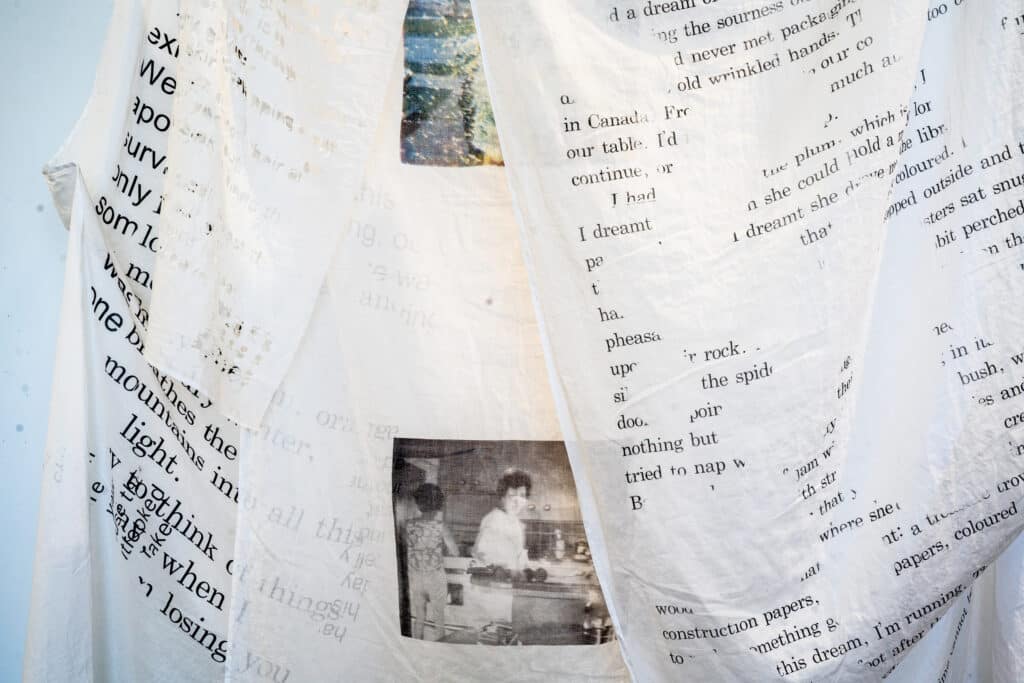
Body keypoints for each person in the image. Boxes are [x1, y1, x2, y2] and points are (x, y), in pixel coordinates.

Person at [404, 483, 458, 640]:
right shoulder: (440, 526)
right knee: (438, 616)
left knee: (419, 615)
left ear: (419, 503)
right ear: (438, 504)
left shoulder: (408, 525)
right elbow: (455, 552)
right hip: (434, 576)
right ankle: (439, 646)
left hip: (414, 575)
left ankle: (416, 645)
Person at [472, 469, 531, 573]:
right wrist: (504, 568)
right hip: (492, 583)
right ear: (503, 497)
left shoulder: (516, 522)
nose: (517, 502)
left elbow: (518, 556)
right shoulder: (493, 520)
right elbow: (479, 553)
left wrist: (525, 568)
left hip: (509, 582)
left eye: (522, 496)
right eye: (512, 495)